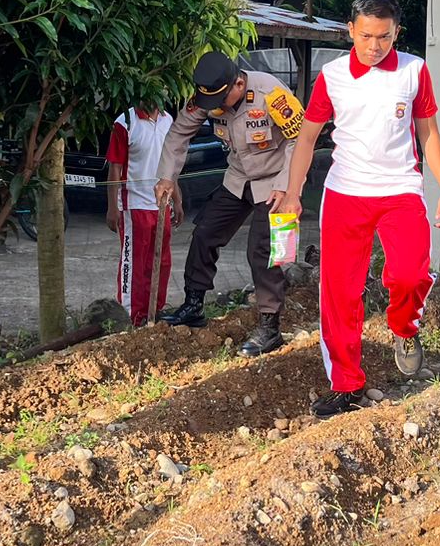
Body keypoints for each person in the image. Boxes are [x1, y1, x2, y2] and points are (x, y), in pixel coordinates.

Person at [276, 0, 440, 419]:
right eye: (367, 36)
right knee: (339, 293)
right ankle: (346, 384)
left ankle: (404, 328)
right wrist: (293, 191)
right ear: (350, 31)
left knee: (412, 274)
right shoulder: (332, 77)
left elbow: (427, 132)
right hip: (345, 194)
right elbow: (306, 138)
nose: (375, 46)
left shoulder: (414, 71)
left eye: (385, 37)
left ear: (396, 33)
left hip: (400, 191)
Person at [154, 51, 305, 357]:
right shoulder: (209, 96)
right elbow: (179, 133)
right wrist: (167, 177)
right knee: (205, 232)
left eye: (222, 98)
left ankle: (269, 326)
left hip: (280, 182)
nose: (217, 107)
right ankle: (193, 305)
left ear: (238, 83)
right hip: (238, 178)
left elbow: (301, 140)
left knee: (268, 252)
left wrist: (287, 188)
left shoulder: (271, 94)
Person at [107, 106, 184, 327]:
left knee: (161, 262)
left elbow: (171, 167)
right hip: (134, 204)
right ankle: (131, 315)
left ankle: (155, 310)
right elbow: (115, 167)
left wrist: (176, 200)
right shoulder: (125, 122)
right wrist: (113, 207)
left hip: (161, 203)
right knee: (135, 263)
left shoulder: (168, 120)